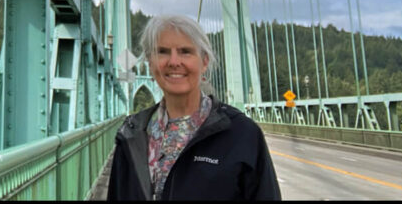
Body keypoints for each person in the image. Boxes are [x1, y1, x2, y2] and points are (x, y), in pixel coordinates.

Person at [107, 14, 281, 200]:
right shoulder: (132, 134)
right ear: (150, 63)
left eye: (185, 51)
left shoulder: (242, 133)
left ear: (204, 61)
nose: (174, 62)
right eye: (163, 52)